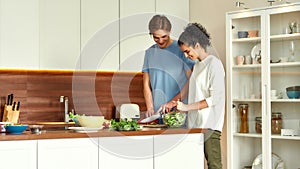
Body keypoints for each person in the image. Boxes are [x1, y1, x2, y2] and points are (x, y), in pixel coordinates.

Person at [175, 23, 225, 169]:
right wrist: (177, 104)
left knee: (214, 165)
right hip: (195, 126)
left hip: (210, 126)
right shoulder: (197, 66)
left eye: (186, 51)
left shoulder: (214, 64)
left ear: (197, 45)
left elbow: (215, 98)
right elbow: (196, 94)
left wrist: (186, 107)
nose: (186, 55)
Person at [142, 15, 194, 120]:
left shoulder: (181, 50)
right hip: (158, 112)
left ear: (170, 31)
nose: (160, 41)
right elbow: (146, 85)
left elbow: (192, 80)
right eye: (156, 37)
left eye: (164, 36)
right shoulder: (149, 53)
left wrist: (172, 103)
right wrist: (150, 107)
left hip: (178, 112)